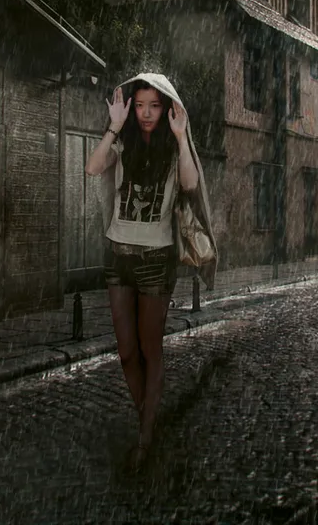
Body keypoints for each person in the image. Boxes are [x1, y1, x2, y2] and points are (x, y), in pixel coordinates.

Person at [84, 74, 215, 470]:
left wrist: (181, 136)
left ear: (166, 109)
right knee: (127, 353)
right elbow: (92, 167)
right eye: (140, 105)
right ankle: (149, 418)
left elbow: (190, 184)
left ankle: (145, 438)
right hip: (118, 257)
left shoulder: (173, 150)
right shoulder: (122, 143)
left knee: (150, 349)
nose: (145, 113)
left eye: (154, 106)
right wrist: (114, 125)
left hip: (157, 261)